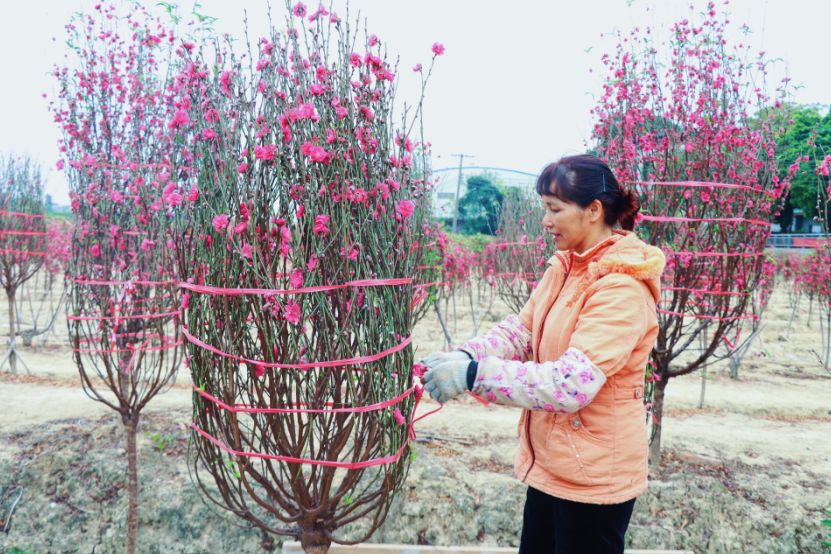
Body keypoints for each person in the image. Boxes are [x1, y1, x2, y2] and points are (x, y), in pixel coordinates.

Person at [421, 154, 665, 554]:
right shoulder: (566, 268)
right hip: (554, 466)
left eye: (555, 209)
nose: (545, 220)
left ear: (593, 211)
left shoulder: (620, 287)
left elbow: (570, 385)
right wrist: (464, 355)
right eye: (544, 208)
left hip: (593, 481)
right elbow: (522, 331)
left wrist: (473, 375)